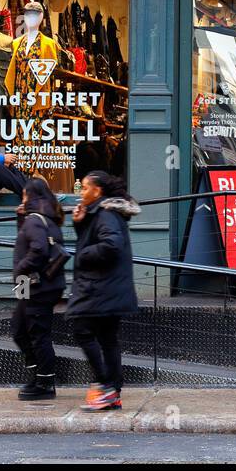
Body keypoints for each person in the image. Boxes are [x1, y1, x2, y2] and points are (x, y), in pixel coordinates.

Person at [67, 170, 139, 411]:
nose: (81, 192)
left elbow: (111, 245)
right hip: (109, 287)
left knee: (82, 329)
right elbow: (95, 240)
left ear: (97, 191)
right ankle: (112, 391)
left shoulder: (106, 215)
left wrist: (82, 254)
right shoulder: (100, 213)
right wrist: (80, 224)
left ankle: (106, 385)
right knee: (107, 339)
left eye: (85, 188)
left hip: (101, 288)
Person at [10, 176, 66, 401]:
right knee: (19, 329)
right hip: (31, 284)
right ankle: (36, 376)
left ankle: (44, 383)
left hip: (36, 284)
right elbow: (25, 240)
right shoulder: (47, 218)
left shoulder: (36, 219)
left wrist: (20, 269)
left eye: (24, 194)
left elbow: (39, 249)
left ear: (30, 195)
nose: (22, 198)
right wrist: (20, 217)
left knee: (38, 334)